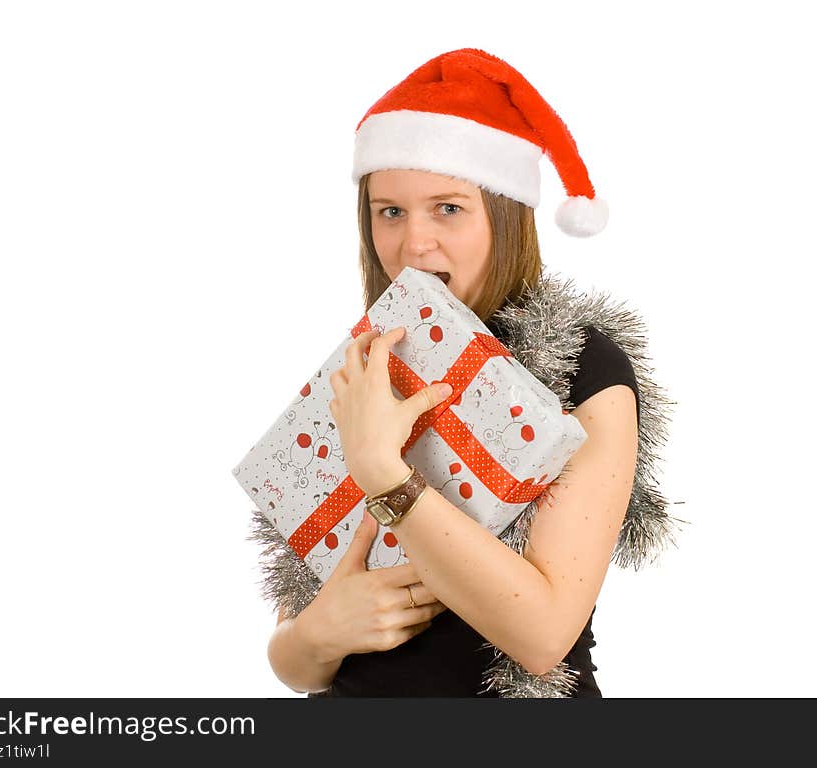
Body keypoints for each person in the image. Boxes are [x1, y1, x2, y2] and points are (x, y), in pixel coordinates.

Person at [258, 47, 677, 698]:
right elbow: (294, 661)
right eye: (389, 211)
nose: (414, 244)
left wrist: (384, 473)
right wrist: (321, 633)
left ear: (505, 216)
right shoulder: (370, 362)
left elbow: (543, 637)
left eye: (447, 208)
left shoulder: (583, 367)